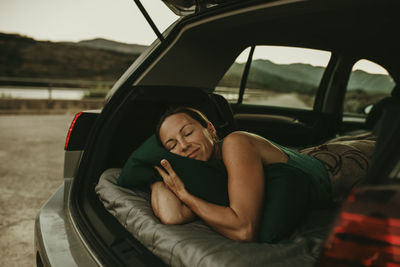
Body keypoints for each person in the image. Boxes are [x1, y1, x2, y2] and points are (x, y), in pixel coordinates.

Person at [150, 107, 374, 242]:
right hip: (308, 155)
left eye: (188, 133)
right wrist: (154, 178)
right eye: (172, 145)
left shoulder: (234, 142)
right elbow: (172, 216)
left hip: (341, 162)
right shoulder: (207, 173)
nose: (184, 145)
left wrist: (186, 196)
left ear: (210, 129)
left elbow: (244, 230)